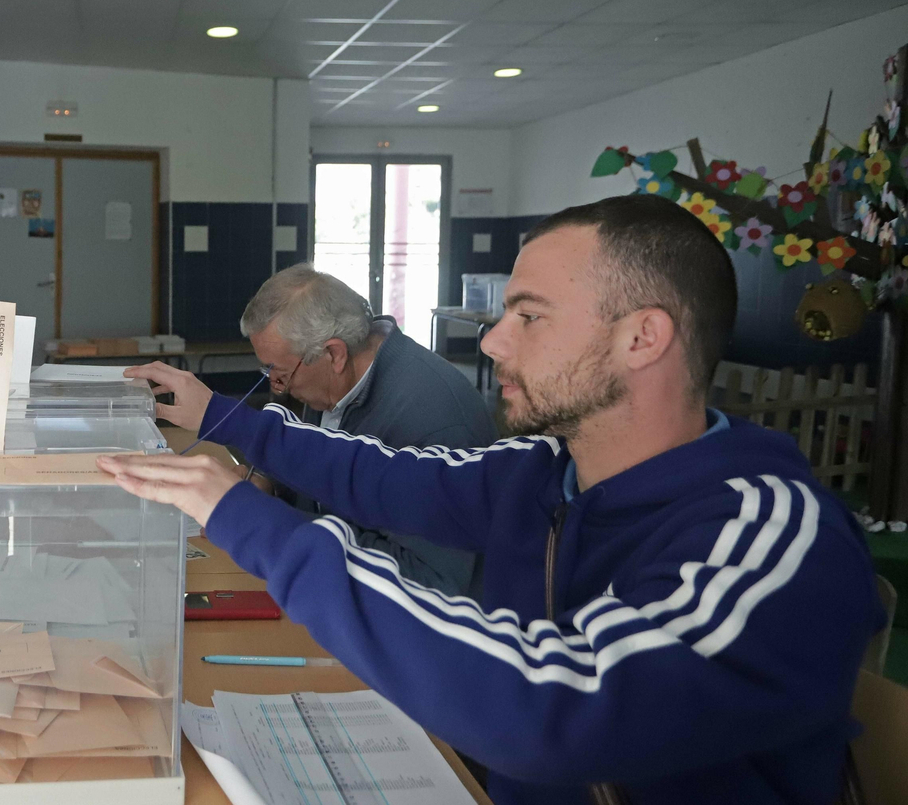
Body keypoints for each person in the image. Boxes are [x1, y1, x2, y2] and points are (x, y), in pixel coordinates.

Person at [102, 195, 882, 804]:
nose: (493, 340)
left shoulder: (771, 533)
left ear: (642, 338)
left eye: (530, 316)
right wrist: (215, 416)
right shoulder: (547, 468)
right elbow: (379, 474)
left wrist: (247, 514)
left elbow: (561, 703)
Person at [150, 263, 494, 595]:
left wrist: (274, 524)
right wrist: (271, 487)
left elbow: (430, 582)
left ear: (334, 353)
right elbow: (331, 478)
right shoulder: (336, 385)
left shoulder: (435, 420)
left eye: (281, 373)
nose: (278, 387)